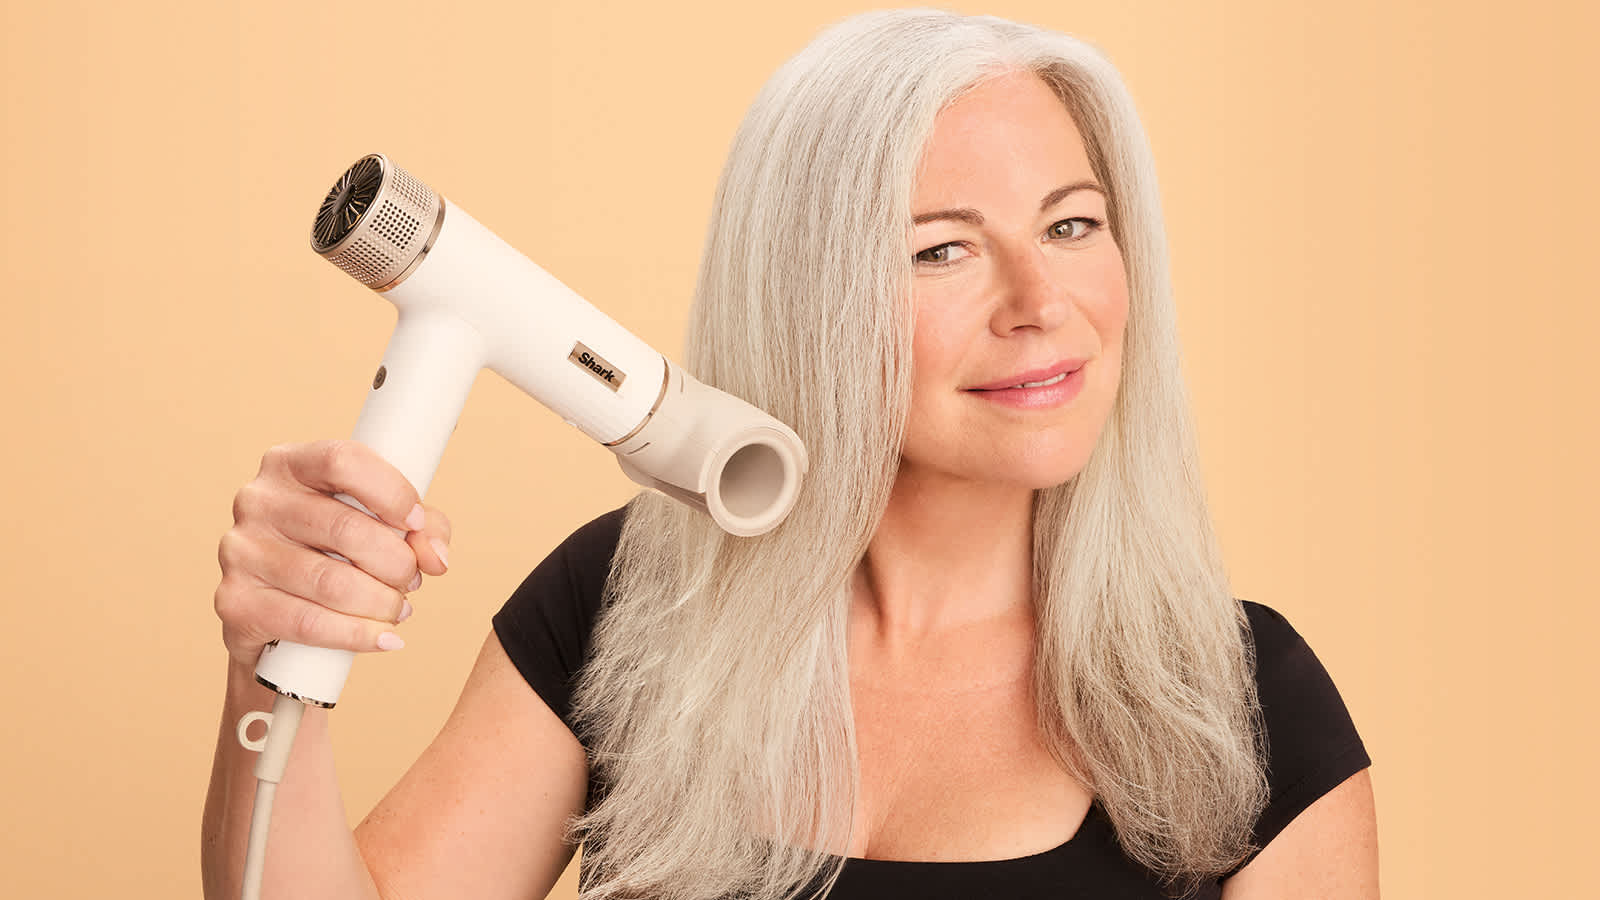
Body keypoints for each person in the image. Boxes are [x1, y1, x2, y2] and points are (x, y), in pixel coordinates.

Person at [202, 9, 1377, 900]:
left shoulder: (1246, 706)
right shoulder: (631, 603)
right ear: (806, 297)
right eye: (940, 250)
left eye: (1071, 225)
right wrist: (273, 659)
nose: (1041, 303)